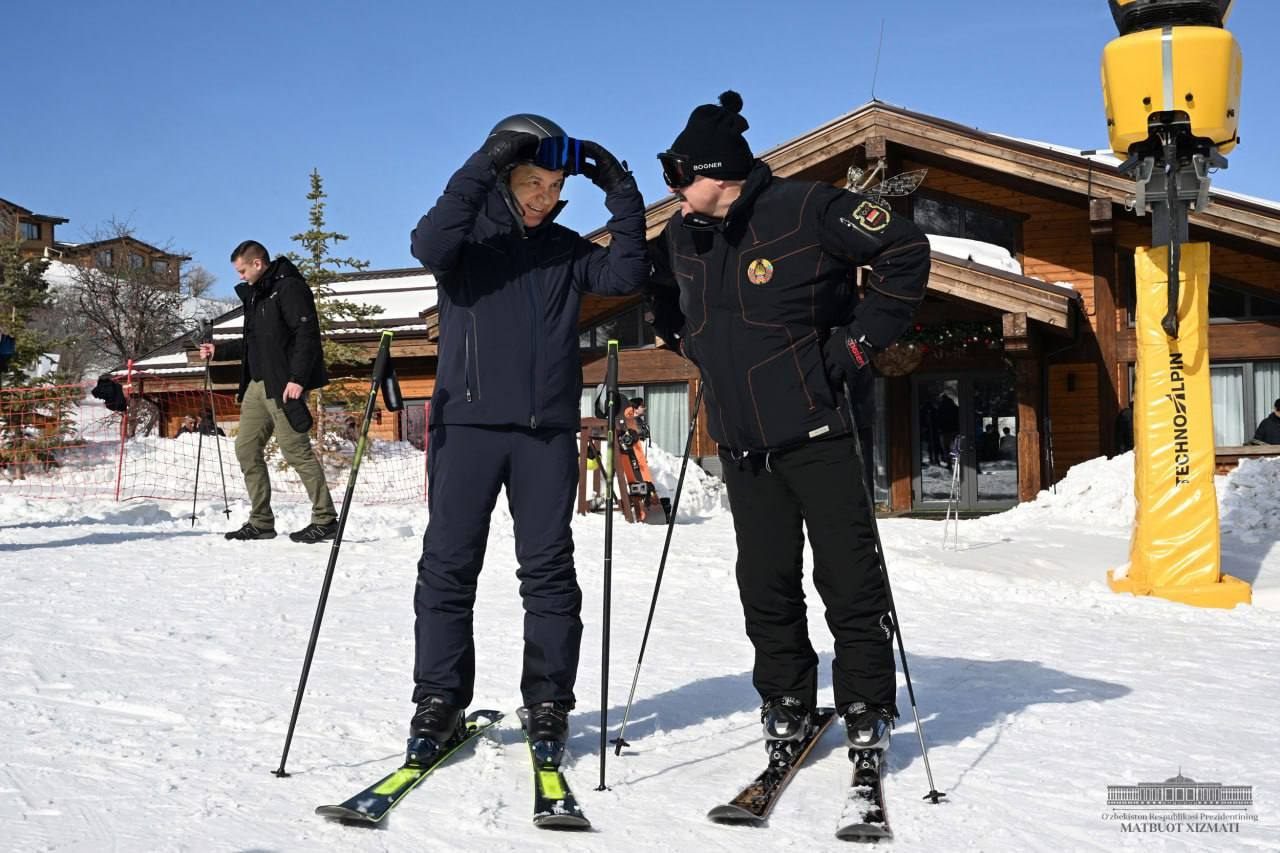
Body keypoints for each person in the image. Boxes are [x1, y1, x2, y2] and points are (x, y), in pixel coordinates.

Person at [648, 92, 931, 761]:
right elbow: (654, 284)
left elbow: (905, 249)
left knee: (849, 577)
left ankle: (865, 698)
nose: (677, 196)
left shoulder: (807, 209)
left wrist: (857, 346)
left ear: (720, 176)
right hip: (742, 445)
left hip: (819, 430)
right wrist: (681, 338)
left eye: (683, 181)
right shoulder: (683, 235)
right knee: (765, 582)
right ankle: (786, 697)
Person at [406, 114, 647, 755]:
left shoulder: (566, 249)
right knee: (449, 569)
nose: (544, 196)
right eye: (531, 181)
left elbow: (625, 276)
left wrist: (620, 190)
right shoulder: (466, 245)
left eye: (554, 184)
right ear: (504, 177)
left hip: (544, 434)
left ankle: (547, 704)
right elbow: (426, 243)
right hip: (469, 427)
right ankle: (438, 702)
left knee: (548, 573)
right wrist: (483, 161)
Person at [198, 241, 337, 543]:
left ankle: (325, 518)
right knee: (245, 448)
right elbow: (256, 343)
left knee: (295, 451)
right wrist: (218, 351)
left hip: (284, 384)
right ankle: (261, 522)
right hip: (257, 385)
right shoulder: (258, 295)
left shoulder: (289, 289)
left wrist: (298, 378)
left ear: (258, 264)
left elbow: (307, 334)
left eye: (242, 270)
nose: (240, 277)